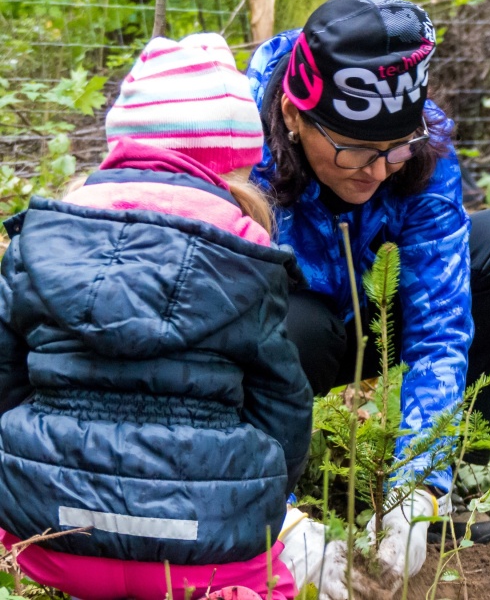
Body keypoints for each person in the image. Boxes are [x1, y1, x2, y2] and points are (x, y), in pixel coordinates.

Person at [246, 0, 490, 583]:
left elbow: (441, 321)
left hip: (374, 307)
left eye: (394, 150)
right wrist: (270, 521)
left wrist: (419, 488)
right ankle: (270, 501)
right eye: (353, 149)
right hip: (278, 329)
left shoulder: (422, 148)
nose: (376, 170)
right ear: (294, 115)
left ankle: (453, 491)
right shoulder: (237, 139)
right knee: (298, 324)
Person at [0, 33, 312, 600]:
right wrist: (259, 502)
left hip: (47, 535)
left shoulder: (42, 241)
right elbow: (283, 406)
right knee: (275, 576)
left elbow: (4, 380)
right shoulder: (246, 254)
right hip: (203, 550)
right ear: (233, 163)